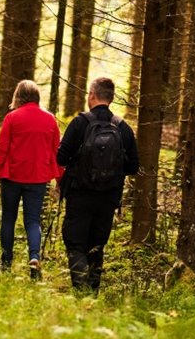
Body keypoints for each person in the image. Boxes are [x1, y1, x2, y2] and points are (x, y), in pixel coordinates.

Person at [56, 77, 139, 294]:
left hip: (80, 194)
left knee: (75, 242)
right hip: (108, 197)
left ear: (92, 95)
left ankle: (80, 289)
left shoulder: (80, 123)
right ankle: (92, 293)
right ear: (111, 98)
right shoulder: (123, 128)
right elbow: (133, 166)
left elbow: (61, 159)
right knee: (96, 245)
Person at [0, 80, 62, 280]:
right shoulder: (50, 119)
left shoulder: (12, 118)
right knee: (33, 220)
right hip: (37, 178)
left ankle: (6, 262)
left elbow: (1, 150)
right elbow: (56, 153)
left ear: (18, 97)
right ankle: (34, 257)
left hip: (12, 177)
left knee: (8, 219)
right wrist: (59, 180)